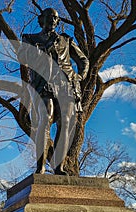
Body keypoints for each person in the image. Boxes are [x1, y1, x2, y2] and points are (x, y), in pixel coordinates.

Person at [18, 8, 89, 174]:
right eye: (49, 17)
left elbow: (83, 60)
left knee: (66, 124)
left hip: (67, 85)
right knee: (45, 119)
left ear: (58, 22)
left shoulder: (66, 40)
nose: (52, 20)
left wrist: (80, 77)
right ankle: (40, 167)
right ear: (41, 20)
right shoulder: (30, 39)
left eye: (55, 18)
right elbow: (22, 58)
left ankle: (59, 167)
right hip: (44, 83)